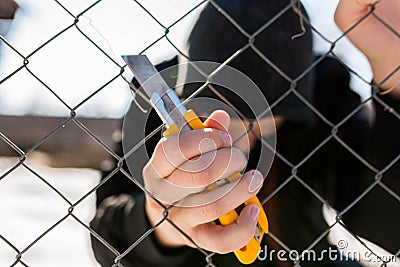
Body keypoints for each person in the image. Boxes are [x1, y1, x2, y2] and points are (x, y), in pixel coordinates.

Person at [90, 0, 399, 266]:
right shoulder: (155, 103)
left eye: (264, 125)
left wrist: (393, 77)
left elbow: (388, 225)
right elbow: (106, 238)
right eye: (222, 120)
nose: (235, 144)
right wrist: (159, 225)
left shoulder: (325, 99)